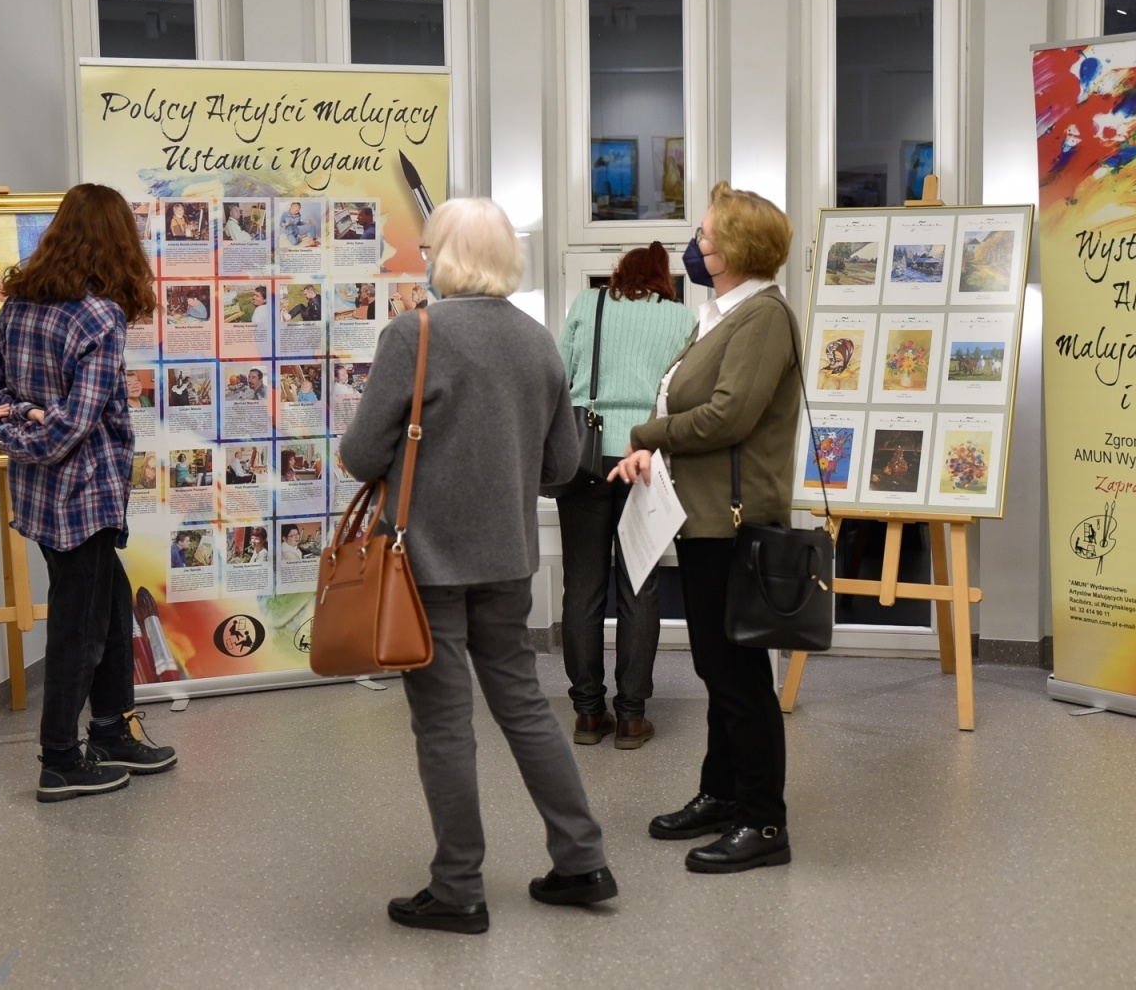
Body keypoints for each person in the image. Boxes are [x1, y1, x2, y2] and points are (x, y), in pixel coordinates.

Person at [340, 196, 615, 936]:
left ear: (445, 255)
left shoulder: (414, 334)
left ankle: (459, 885)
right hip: (508, 558)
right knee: (524, 705)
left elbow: (360, 455)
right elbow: (561, 466)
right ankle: (582, 858)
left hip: (423, 563)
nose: (424, 258)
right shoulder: (537, 342)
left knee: (443, 723)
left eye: (429, 247)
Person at [609, 182, 799, 874]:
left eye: (707, 235)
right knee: (719, 669)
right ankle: (721, 794)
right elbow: (689, 399)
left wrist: (647, 432)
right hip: (703, 517)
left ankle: (763, 822)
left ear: (737, 247)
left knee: (738, 675)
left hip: (734, 521)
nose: (697, 244)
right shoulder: (719, 315)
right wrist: (655, 447)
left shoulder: (763, 318)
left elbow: (727, 416)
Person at [0, 182, 177, 804]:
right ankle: (59, 757)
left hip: (43, 498)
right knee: (78, 630)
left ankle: (111, 730)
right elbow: (71, 427)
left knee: (110, 608)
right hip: (83, 497)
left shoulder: (20, 303)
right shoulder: (99, 316)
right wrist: (32, 427)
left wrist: (13, 422)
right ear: (118, 243)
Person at [555, 244, 695, 749]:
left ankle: (589, 713)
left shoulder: (587, 305)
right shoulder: (683, 319)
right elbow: (686, 393)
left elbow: (559, 376)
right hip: (648, 461)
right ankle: (632, 716)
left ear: (618, 273)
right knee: (641, 587)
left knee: (583, 588)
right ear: (664, 278)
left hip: (586, 458)